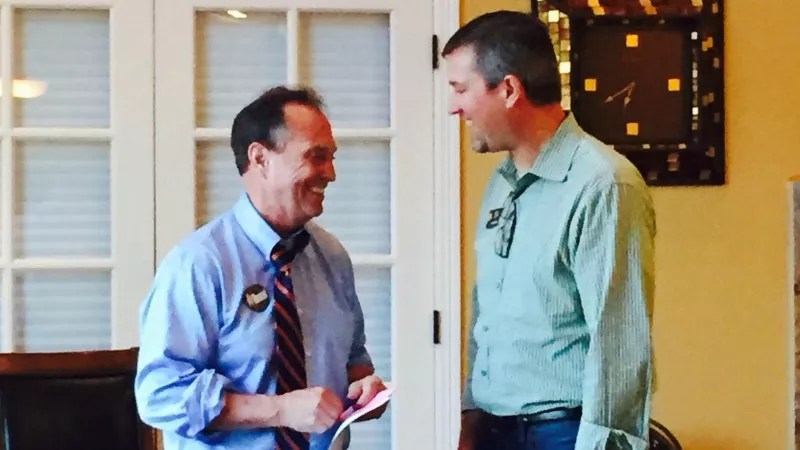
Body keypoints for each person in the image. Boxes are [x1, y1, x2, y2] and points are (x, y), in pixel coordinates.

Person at [443, 10, 656, 450]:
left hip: (563, 434)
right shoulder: (501, 183)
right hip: (494, 430)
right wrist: (470, 422)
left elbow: (619, 346)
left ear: (509, 89)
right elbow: (487, 314)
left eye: (461, 89)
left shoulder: (604, 184)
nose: (453, 106)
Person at [135, 86, 387, 450]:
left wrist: (364, 388)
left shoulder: (332, 257)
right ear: (260, 158)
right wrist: (280, 410)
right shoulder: (199, 264)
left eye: (331, 158)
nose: (330, 173)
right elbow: (160, 395)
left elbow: (354, 361)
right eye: (316, 157)